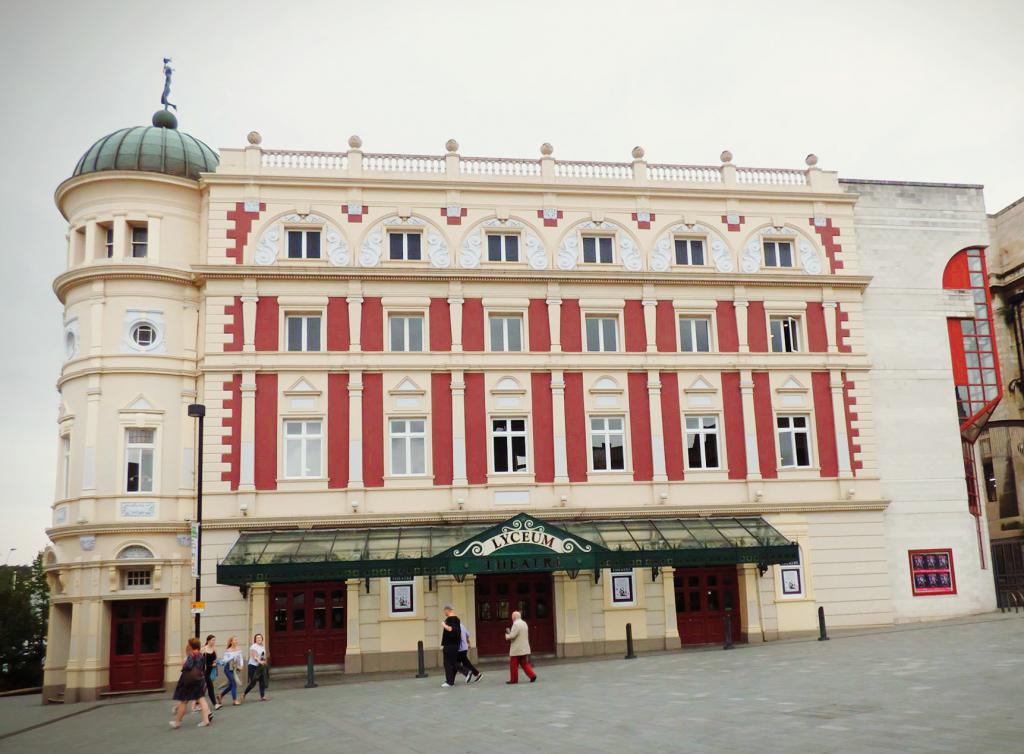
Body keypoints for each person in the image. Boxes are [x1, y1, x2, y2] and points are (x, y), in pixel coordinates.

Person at [170, 638, 212, 728]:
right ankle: (205, 720)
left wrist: (184, 665)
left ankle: (177, 722)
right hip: (199, 679)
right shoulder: (201, 655)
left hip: (188, 681)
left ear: (191, 646)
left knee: (184, 701)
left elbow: (187, 666)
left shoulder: (191, 655)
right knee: (202, 699)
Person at [504, 610, 537, 684]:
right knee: (524, 663)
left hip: (517, 649)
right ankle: (532, 675)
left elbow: (512, 636)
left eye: (512, 616)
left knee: (513, 665)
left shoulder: (516, 624)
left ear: (515, 617)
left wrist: (506, 635)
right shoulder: (524, 623)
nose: (512, 618)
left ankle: (514, 680)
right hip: (524, 647)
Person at [242, 633, 269, 702]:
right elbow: (254, 657)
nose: (259, 639)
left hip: (260, 667)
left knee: (262, 680)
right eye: (257, 638)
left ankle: (262, 696)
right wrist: (260, 661)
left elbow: (262, 656)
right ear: (255, 639)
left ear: (262, 639)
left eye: (260, 637)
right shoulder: (253, 646)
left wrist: (264, 661)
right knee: (253, 682)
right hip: (252, 666)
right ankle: (244, 694)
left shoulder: (262, 646)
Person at [439, 604, 461, 688]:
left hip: (449, 645)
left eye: (444, 610)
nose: (444, 612)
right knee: (452, 663)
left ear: (448, 610)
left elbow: (451, 629)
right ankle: (450, 681)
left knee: (447, 663)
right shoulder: (457, 619)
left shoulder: (450, 619)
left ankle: (450, 682)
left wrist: (444, 625)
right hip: (455, 645)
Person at [218, 636, 244, 706]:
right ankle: (234, 700)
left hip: (234, 668)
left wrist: (241, 666)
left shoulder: (239, 649)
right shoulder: (228, 651)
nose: (236, 641)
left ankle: (221, 695)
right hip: (227, 669)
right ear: (231, 642)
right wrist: (232, 657)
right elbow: (225, 660)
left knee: (231, 685)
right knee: (234, 684)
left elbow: (240, 658)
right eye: (235, 640)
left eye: (237, 640)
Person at [201, 634, 220, 710]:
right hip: (204, 670)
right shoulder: (203, 649)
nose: (214, 642)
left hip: (211, 670)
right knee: (210, 687)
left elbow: (216, 659)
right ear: (208, 640)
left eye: (215, 640)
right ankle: (215, 704)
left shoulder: (214, 649)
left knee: (203, 688)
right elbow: (200, 661)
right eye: (213, 640)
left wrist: (215, 662)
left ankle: (197, 703)